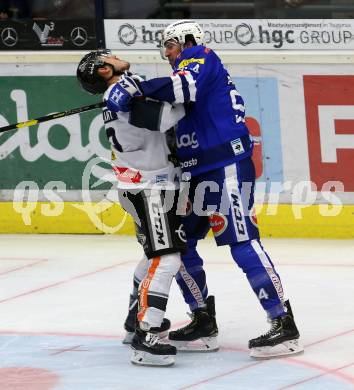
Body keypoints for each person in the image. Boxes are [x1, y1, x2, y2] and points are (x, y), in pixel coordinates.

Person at [108, 20, 303, 358]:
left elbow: (179, 88)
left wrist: (137, 90)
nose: (167, 53)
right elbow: (162, 113)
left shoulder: (200, 56)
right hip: (197, 171)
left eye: (169, 46)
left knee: (242, 242)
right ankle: (202, 319)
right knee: (179, 245)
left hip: (225, 164)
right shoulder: (183, 69)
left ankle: (284, 323)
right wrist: (126, 101)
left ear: (185, 41)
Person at [76, 49, 187, 366]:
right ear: (102, 71)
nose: (117, 57)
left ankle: (132, 321)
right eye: (109, 57)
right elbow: (166, 117)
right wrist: (196, 95)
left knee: (154, 254)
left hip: (138, 185)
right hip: (149, 187)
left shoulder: (119, 95)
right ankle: (146, 334)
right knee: (166, 258)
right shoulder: (122, 92)